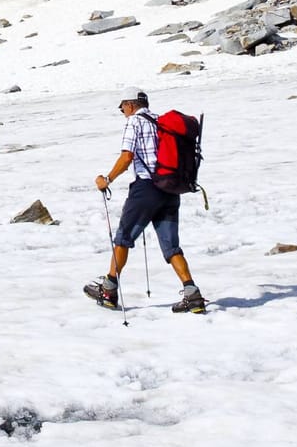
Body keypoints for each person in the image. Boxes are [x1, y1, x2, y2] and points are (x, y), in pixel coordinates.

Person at [85, 89, 207, 314]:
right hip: (169, 189)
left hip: (146, 189)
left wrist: (108, 179)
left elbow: (127, 156)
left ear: (131, 105)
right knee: (171, 247)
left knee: (123, 238)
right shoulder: (160, 121)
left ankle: (109, 290)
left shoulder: (134, 123)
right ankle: (193, 295)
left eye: (122, 106)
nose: (122, 111)